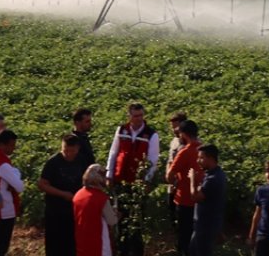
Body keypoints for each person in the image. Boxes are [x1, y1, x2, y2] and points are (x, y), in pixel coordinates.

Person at [105, 103, 160, 256]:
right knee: (121, 217)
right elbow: (113, 153)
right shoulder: (122, 130)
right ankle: (122, 249)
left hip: (137, 183)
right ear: (129, 116)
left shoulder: (151, 134)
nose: (139, 119)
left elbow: (153, 160)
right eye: (135, 116)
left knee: (136, 218)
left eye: (141, 115)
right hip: (120, 180)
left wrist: (147, 181)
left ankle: (136, 251)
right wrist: (109, 174)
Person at [39, 134, 87, 256]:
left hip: (75, 210)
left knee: (71, 244)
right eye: (66, 150)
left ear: (78, 148)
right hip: (55, 210)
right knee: (55, 244)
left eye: (72, 150)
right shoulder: (53, 162)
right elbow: (43, 184)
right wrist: (62, 194)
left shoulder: (82, 161)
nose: (69, 153)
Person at [165, 120, 200, 256]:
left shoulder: (185, 152)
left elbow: (169, 176)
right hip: (200, 199)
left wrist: (174, 179)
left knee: (184, 236)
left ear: (184, 134)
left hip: (184, 199)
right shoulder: (204, 150)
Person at [0, 129, 24, 256]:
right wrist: (16, 174)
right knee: (1, 245)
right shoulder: (2, 164)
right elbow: (19, 186)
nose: (13, 148)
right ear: (2, 145)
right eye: (11, 145)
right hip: (5, 209)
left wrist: (14, 174)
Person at [73, 164, 119, 256]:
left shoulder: (78, 195)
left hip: (81, 237)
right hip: (98, 239)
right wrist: (117, 214)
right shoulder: (101, 198)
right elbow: (112, 221)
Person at [188, 144, 226, 256]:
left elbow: (195, 196)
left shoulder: (213, 178)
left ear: (211, 158)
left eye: (201, 158)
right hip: (204, 225)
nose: (198, 160)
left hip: (206, 227)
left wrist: (192, 179)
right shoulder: (214, 174)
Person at [165, 112, 189, 230]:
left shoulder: (191, 143)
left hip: (184, 187)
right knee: (172, 213)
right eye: (172, 127)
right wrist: (169, 178)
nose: (174, 130)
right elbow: (170, 161)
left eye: (176, 127)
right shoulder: (174, 141)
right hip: (173, 185)